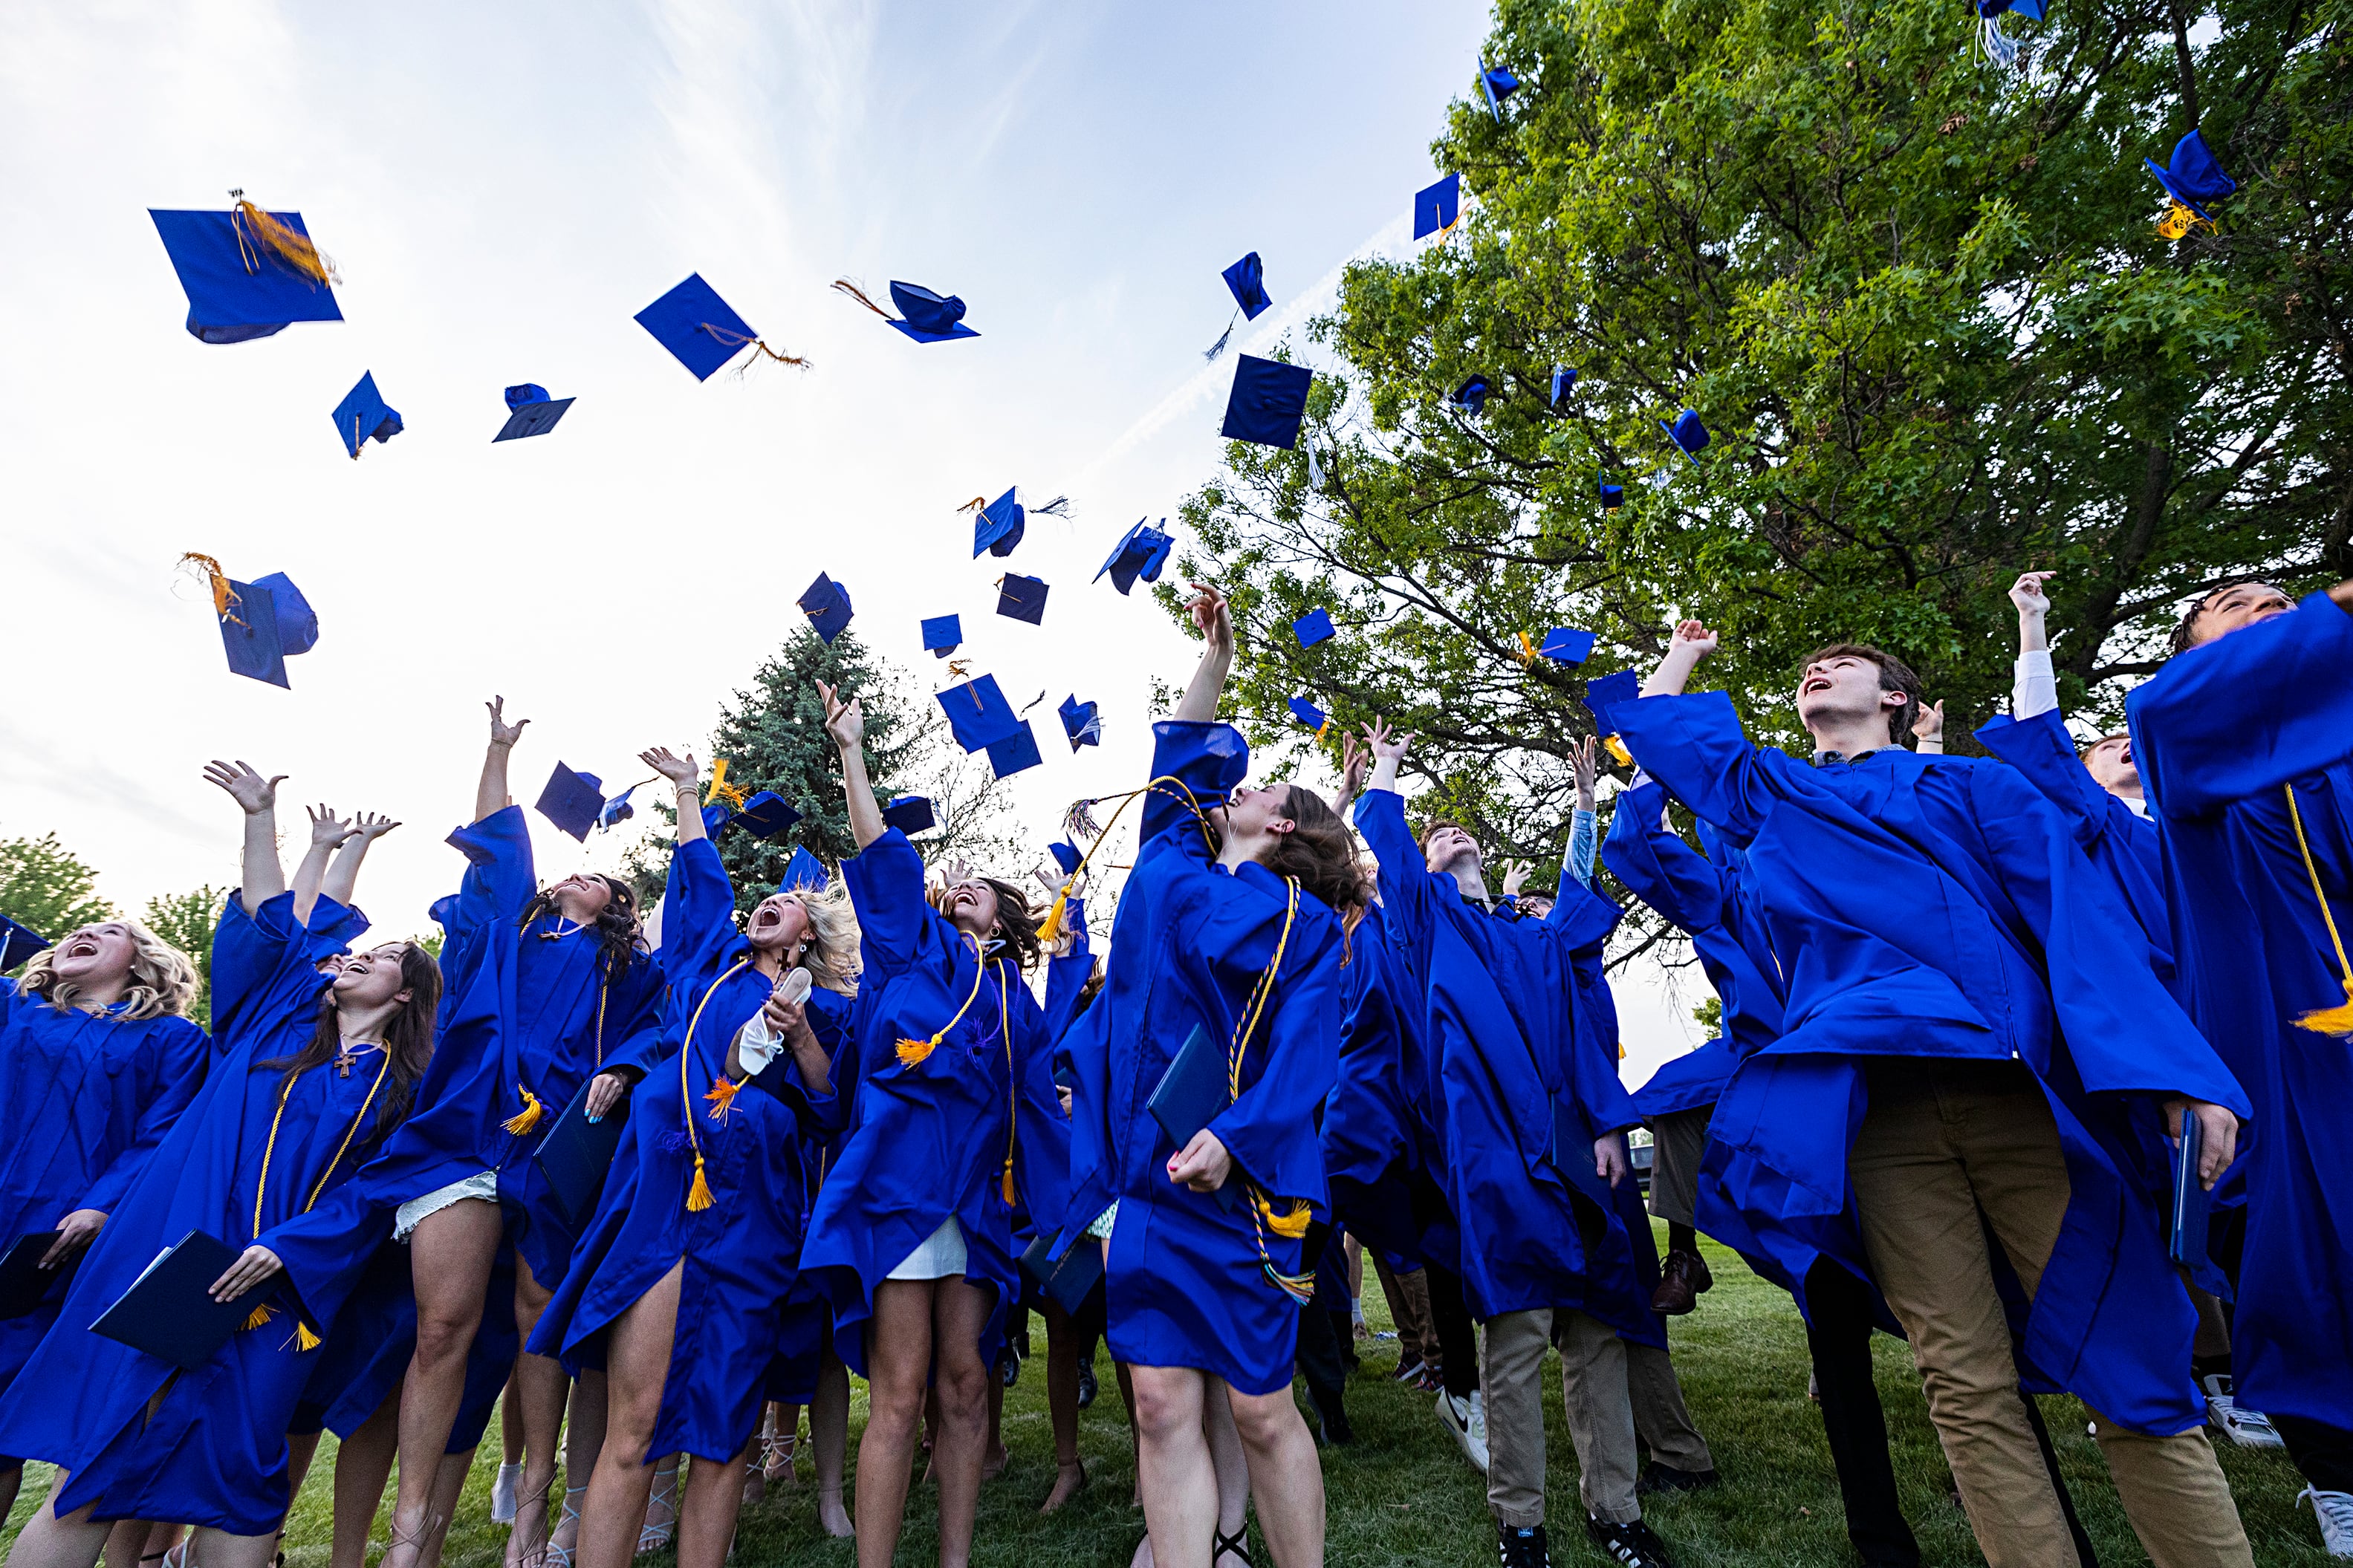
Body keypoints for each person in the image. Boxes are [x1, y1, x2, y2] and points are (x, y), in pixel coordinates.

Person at [1623, 619, 2255, 1568]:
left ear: (1896, 702)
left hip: (2008, 1091)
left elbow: (2076, 922)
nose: (1814, 665)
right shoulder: (1773, 798)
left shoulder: (1973, 785)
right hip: (1874, 1115)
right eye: (1805, 665)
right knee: (1959, 1377)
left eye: (1842, 661)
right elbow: (1670, 737)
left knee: (2130, 1361)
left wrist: (2173, 1073)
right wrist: (1685, 654)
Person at [0, 762, 440, 1568]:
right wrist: (266, 822)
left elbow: (378, 1187)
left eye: (379, 954)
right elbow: (278, 926)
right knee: (102, 1465)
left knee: (244, 1479)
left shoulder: (400, 1087)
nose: (353, 955)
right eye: (351, 948)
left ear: (407, 992)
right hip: (180, 1257)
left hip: (276, 1290)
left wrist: (295, 1247)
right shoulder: (269, 1028)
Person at [1057, 584, 1355, 1568]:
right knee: (1156, 1399)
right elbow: (1176, 753)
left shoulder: (1304, 926)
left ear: (1284, 827)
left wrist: (1234, 1137)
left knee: (1260, 1407)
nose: (1246, 782)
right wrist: (1213, 659)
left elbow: (1307, 1058)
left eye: (1266, 786)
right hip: (1143, 1178)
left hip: (1238, 1188)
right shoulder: (1167, 863)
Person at [1354, 716, 1695, 1568]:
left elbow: (1581, 1011)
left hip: (1574, 1150)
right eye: (1435, 836)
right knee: (1511, 1349)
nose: (1449, 835)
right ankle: (1522, 1524)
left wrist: (1610, 1123)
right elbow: (1391, 854)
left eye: (1457, 827)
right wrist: (1387, 776)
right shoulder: (1427, 925)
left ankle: (1614, 1510)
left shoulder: (1534, 935)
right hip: (1494, 1161)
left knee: (1597, 1340)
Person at [529, 744, 848, 1568]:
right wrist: (681, 793)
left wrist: (803, 1030)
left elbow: (827, 1103)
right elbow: (702, 884)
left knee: (723, 1431)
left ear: (808, 935)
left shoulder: (821, 1006)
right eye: (764, 898)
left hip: (755, 1218)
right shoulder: (706, 966)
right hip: (671, 1198)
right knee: (635, 1425)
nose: (769, 901)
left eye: (786, 902)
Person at [370, 701, 668, 1568]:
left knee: (540, 1320)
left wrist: (630, 1064)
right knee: (443, 1327)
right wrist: (497, 751)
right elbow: (500, 847)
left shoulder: (629, 967)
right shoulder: (501, 933)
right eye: (570, 870)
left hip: (554, 1145)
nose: (579, 873)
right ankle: (410, 1530)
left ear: (620, 904)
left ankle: (535, 1508)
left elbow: (662, 1026)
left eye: (600, 877)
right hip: (470, 1130)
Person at [2127, 575, 2353, 1556]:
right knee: (2290, 1268)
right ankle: (2339, 1478)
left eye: (2278, 595)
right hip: (2276, 1044)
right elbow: (2183, 706)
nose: (2266, 601)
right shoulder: (2186, 731)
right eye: (2229, 599)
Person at [800, 683, 1033, 1568]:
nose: (961, 886)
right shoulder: (909, 950)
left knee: (967, 1383)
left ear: (1003, 919)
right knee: (900, 1391)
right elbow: (881, 853)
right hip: (901, 1187)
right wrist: (853, 751)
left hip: (975, 1196)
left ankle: (956, 1559)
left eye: (982, 886)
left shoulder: (1013, 995)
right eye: (954, 882)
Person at [0, 899, 207, 1530]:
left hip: (53, 1237)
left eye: (110, 931)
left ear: (145, 965)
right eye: (78, 928)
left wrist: (100, 1203)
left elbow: (162, 1133)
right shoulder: (14, 1007)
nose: (83, 930)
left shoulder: (172, 1039)